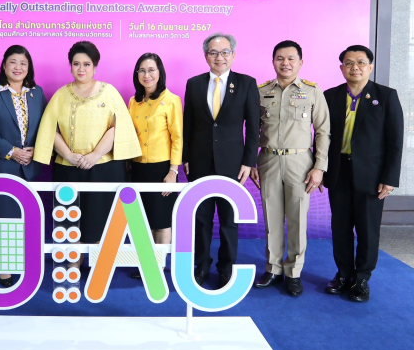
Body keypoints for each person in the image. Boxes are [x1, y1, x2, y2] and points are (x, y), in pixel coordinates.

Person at [34, 41, 141, 255]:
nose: (81, 69)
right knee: (69, 218)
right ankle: (73, 260)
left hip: (104, 168)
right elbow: (49, 130)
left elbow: (117, 127)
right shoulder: (61, 95)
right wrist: (68, 155)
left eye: (86, 64)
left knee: (100, 217)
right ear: (70, 66)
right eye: (76, 64)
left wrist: (95, 155)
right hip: (68, 168)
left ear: (94, 66)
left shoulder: (109, 92)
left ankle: (99, 264)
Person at [323, 45, 404, 302]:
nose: (354, 67)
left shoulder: (386, 96)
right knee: (340, 227)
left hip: (371, 175)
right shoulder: (330, 96)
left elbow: (395, 140)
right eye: (349, 63)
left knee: (368, 229)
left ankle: (362, 279)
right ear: (341, 68)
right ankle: (344, 274)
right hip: (338, 171)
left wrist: (390, 178)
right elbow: (322, 136)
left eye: (360, 62)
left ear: (370, 66)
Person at [251, 40, 330, 296]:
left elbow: (323, 131)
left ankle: (293, 272)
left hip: (300, 162)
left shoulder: (312, 91)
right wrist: (252, 161)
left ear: (300, 62)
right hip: (269, 160)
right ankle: (273, 268)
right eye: (280, 58)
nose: (285, 63)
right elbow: (251, 130)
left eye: (290, 58)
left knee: (297, 219)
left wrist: (319, 167)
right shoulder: (261, 91)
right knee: (271, 218)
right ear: (273, 61)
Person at [182, 32, 259, 289]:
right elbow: (188, 124)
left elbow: (254, 128)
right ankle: (201, 265)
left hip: (233, 164)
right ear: (206, 56)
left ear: (233, 55)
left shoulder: (247, 84)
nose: (220, 57)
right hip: (200, 162)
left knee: (229, 219)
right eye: (214, 53)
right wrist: (186, 158)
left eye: (225, 52)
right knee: (201, 218)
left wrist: (249, 162)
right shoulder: (194, 84)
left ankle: (226, 267)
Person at [0, 45, 46, 287]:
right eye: (13, 62)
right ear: (4, 65)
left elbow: (46, 127)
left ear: (29, 68)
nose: (18, 67)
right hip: (0, 166)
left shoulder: (36, 92)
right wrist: (11, 151)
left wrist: (37, 149)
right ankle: (3, 268)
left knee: (24, 219)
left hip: (28, 167)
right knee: (2, 219)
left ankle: (22, 262)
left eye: (23, 63)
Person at [128, 53, 183, 279]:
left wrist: (173, 171)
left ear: (160, 73)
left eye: (151, 70)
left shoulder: (171, 100)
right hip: (137, 168)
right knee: (143, 220)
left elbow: (178, 138)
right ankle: (147, 264)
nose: (146, 74)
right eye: (142, 70)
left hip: (162, 170)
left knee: (161, 220)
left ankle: (158, 268)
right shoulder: (133, 101)